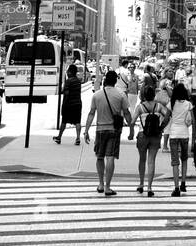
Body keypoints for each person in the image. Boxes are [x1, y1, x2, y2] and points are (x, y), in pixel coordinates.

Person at [83, 69, 134, 197]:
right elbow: (127, 113)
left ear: (105, 80)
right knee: (110, 157)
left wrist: (86, 131)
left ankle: (100, 184)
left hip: (100, 129)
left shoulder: (97, 95)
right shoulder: (121, 95)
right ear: (115, 81)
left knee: (99, 156)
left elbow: (91, 113)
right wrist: (131, 129)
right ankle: (107, 187)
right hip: (114, 130)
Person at [133, 80, 169, 197]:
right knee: (151, 160)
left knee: (142, 159)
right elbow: (168, 114)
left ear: (143, 95)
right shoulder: (158, 106)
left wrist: (130, 131)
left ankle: (141, 184)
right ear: (154, 94)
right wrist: (161, 127)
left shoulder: (140, 107)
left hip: (143, 135)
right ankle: (149, 187)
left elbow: (132, 121)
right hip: (155, 135)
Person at [167, 81, 195, 197]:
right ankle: (183, 183)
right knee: (184, 159)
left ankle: (176, 187)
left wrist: (160, 129)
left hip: (173, 134)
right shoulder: (188, 104)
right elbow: (193, 120)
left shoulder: (171, 103)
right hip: (184, 134)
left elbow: (165, 119)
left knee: (174, 162)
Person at [53, 63, 83, 145]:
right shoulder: (78, 81)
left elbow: (66, 93)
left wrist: (63, 105)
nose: (67, 72)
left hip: (69, 104)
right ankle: (77, 138)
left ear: (70, 72)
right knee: (77, 121)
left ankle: (59, 137)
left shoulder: (68, 81)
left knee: (64, 121)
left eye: (68, 71)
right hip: (77, 104)